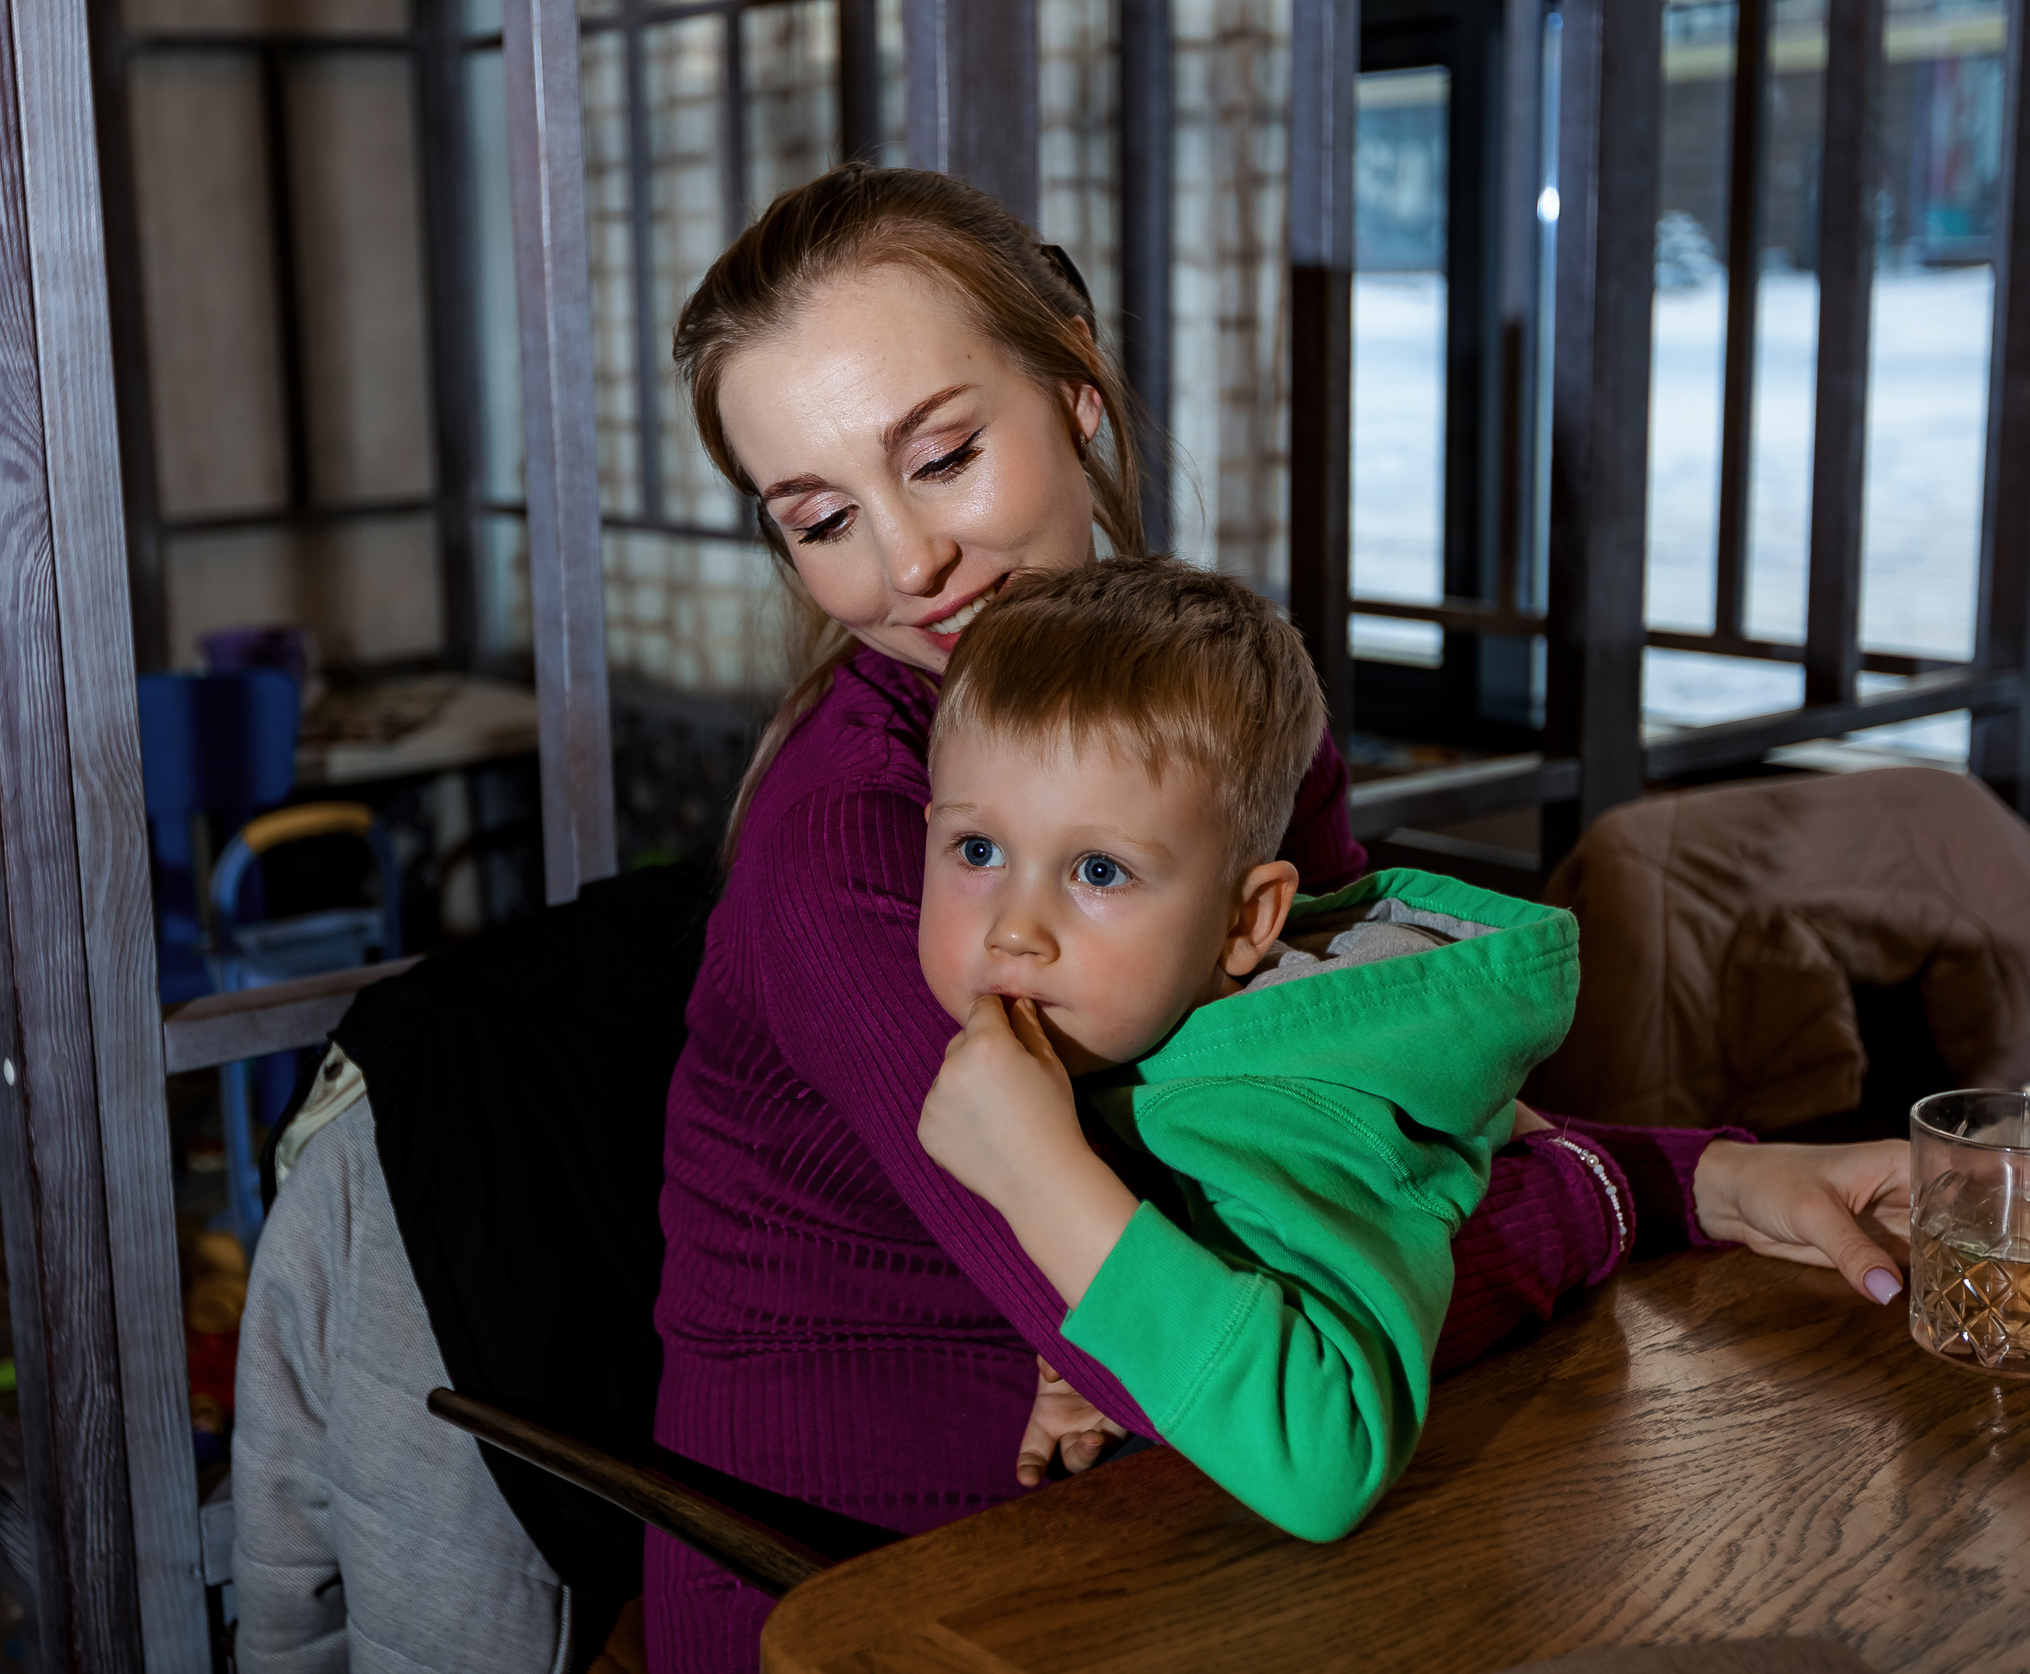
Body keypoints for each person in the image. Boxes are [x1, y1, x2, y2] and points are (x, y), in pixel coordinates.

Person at [231, 163, 1912, 1674]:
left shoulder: (1207, 724)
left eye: (943, 454)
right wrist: (1609, 1202)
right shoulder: (856, 863)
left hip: (1167, 1496)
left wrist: (1719, 1169)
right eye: (820, 519)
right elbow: (1263, 1383)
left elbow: (1349, 1114)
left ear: (1078, 397)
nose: (909, 566)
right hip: (895, 1582)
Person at [911, 555, 1577, 1540]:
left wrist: (1038, 1176)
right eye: (978, 853)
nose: (1015, 928)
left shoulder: (1296, 1102)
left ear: (1245, 920)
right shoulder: (1113, 1029)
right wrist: (1080, 1368)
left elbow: (1327, 1467)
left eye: (1098, 869)